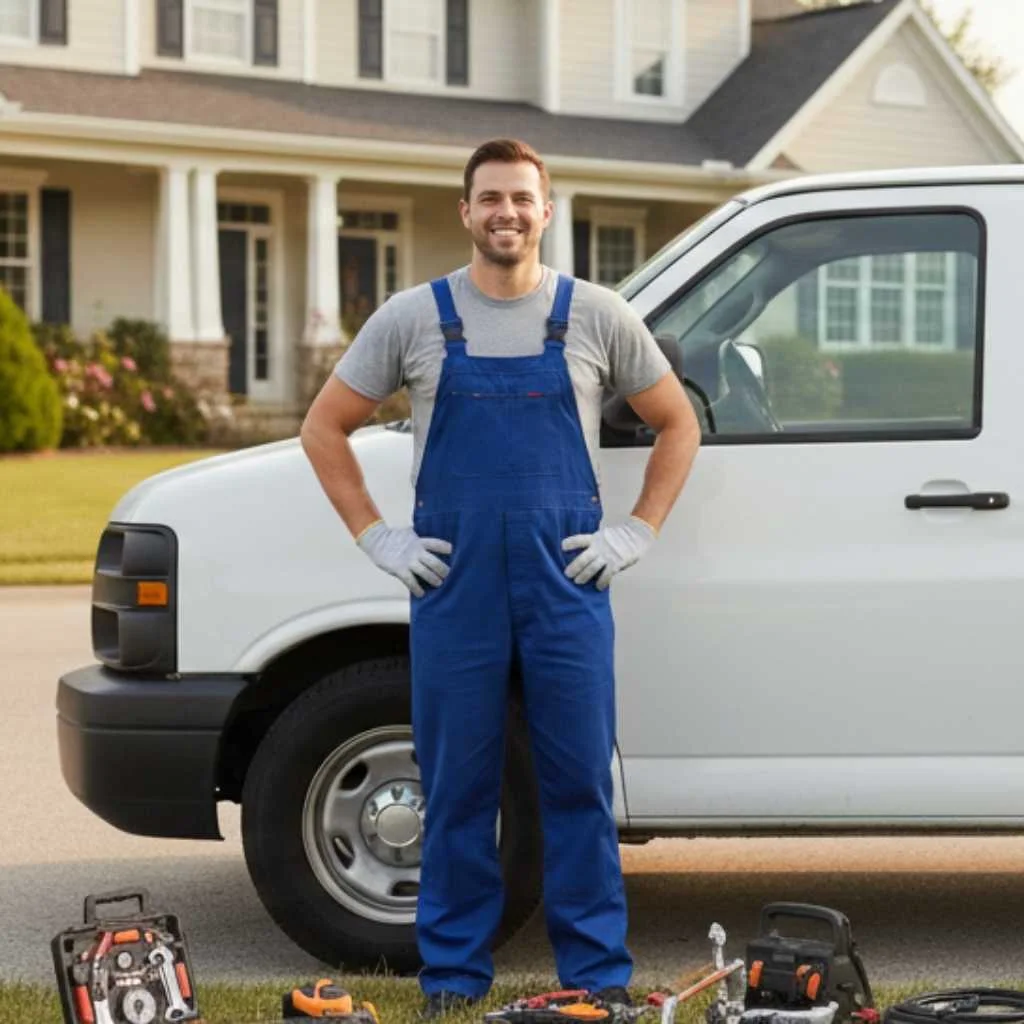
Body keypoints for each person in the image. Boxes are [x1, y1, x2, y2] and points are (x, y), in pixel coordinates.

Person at [300, 138, 701, 1018]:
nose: (506, 213)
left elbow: (678, 423)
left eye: (522, 198)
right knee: (457, 791)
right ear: (466, 211)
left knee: (579, 786)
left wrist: (637, 531)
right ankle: (452, 979)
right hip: (456, 588)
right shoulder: (413, 317)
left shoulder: (596, 314)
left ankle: (597, 978)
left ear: (545, 211)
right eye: (490, 198)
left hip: (566, 584)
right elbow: (323, 427)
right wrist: (377, 537)